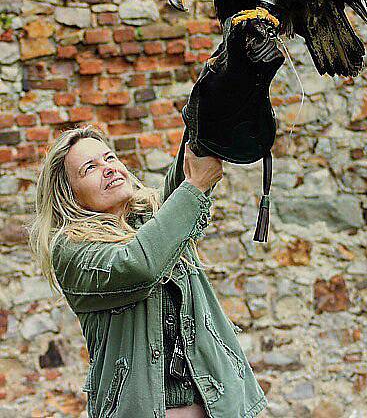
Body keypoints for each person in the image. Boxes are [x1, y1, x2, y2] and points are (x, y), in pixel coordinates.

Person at [28, 123, 268, 418]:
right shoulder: (72, 252)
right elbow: (139, 264)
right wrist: (195, 187)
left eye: (110, 158)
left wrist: (213, 105)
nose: (108, 168)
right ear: (69, 194)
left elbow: (185, 171)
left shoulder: (151, 218)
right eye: (90, 168)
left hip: (218, 410)